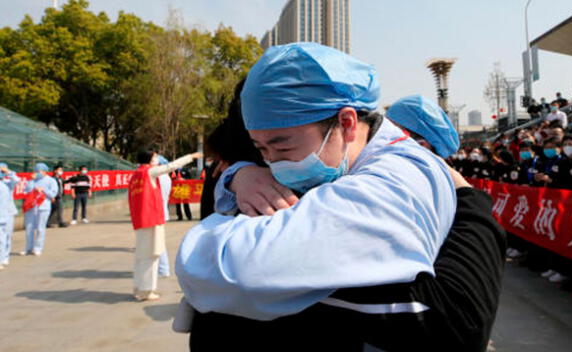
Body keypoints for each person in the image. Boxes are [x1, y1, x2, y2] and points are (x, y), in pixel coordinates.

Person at [177, 43, 466, 348]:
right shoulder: (338, 159)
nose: (273, 163)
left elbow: (233, 270)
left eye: (283, 147)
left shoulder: (392, 183)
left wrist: (205, 240)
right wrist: (238, 174)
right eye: (262, 149)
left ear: (346, 123)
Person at [128, 149, 200, 301]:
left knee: (142, 256)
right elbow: (171, 166)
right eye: (154, 157)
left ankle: (139, 287)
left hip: (142, 220)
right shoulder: (149, 172)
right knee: (151, 255)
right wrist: (191, 156)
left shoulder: (136, 174)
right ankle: (147, 291)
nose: (157, 159)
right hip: (151, 219)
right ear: (148, 159)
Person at [22, 163, 58, 256]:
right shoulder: (32, 180)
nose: (37, 173)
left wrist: (43, 189)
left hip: (43, 206)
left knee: (40, 228)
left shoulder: (51, 181)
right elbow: (26, 191)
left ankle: (38, 248)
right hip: (31, 206)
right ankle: (28, 248)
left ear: (45, 171)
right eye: (36, 171)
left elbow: (53, 194)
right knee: (29, 228)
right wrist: (32, 181)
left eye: (39, 171)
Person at [0, 163, 20, 266]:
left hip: (8, 213)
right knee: (1, 238)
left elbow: (17, 180)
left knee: (7, 236)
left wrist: (8, 172)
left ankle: (5, 256)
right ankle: (1, 257)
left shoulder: (8, 183)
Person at [156, 155, 172, 278]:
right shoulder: (165, 177)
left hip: (156, 213)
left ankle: (163, 269)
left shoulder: (159, 177)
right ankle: (161, 268)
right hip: (160, 212)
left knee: (158, 242)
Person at [0, 181, 11, 270]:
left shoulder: (3, 187)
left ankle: (2, 259)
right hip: (3, 216)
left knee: (2, 240)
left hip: (2, 217)